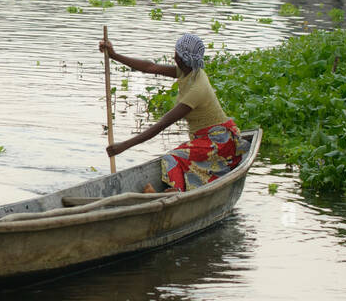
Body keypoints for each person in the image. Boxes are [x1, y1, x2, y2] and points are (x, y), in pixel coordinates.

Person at [97, 33, 246, 192]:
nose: (173, 56)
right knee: (179, 158)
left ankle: (176, 194)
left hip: (219, 142)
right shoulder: (188, 71)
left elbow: (162, 124)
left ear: (181, 58)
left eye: (176, 53)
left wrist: (123, 146)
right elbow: (149, 67)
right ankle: (179, 190)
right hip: (205, 139)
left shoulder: (198, 88)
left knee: (172, 157)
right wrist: (114, 55)